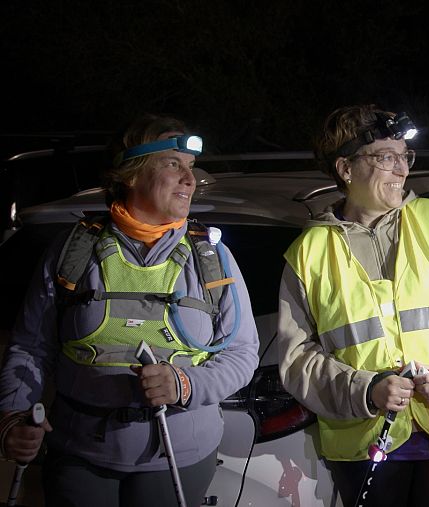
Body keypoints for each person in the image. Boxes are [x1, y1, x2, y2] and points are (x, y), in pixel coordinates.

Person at [0, 114, 260, 506]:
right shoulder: (73, 251)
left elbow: (242, 354)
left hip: (179, 457)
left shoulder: (212, 257)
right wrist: (14, 418)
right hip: (80, 453)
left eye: (190, 168)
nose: (190, 179)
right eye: (173, 164)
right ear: (131, 174)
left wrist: (184, 385)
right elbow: (30, 348)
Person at [276, 104, 429, 506]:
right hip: (365, 443)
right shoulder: (307, 253)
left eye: (405, 157)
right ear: (346, 169)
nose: (402, 169)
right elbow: (297, 358)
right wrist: (364, 391)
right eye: (386, 157)